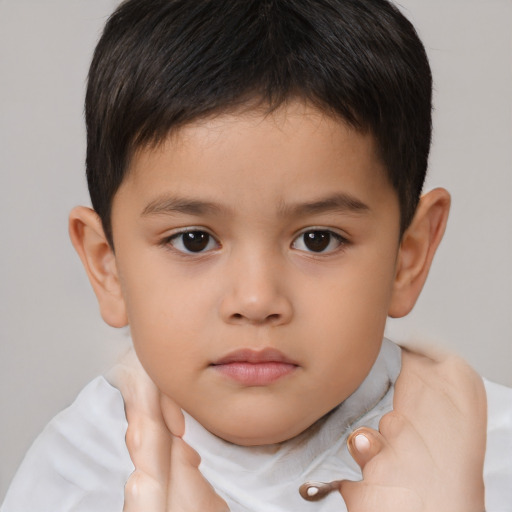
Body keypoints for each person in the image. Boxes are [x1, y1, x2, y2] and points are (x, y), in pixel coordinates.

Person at [1, 0, 511, 511]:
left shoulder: (488, 458)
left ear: (408, 255)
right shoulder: (73, 478)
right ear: (107, 265)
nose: (256, 299)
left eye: (318, 239)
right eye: (194, 240)